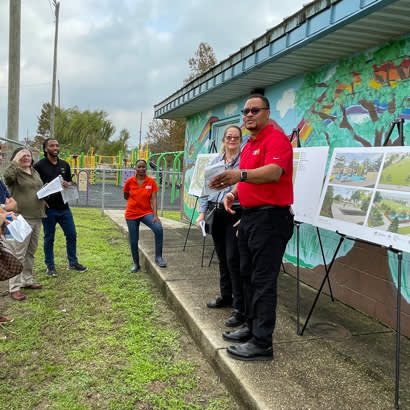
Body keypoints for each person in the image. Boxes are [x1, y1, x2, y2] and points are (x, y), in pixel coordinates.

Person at [209, 94, 294, 361]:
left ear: (267, 113)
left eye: (254, 110)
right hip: (249, 217)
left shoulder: (276, 139)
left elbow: (273, 172)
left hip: (270, 220)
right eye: (245, 111)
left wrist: (239, 176)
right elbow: (245, 179)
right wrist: (234, 192)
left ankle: (262, 343)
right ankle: (250, 326)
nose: (248, 115)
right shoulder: (249, 144)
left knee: (262, 281)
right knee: (245, 274)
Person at [195, 125, 245, 328]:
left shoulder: (245, 162)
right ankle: (226, 296)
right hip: (216, 212)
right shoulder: (215, 162)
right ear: (223, 140)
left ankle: (240, 307)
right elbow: (205, 190)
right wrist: (201, 213)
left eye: (236, 137)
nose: (232, 140)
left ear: (241, 140)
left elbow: (249, 187)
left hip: (235, 212)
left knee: (234, 259)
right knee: (222, 257)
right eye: (228, 137)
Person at [33, 138, 88, 277]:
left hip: (64, 207)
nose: (55, 148)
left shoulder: (64, 164)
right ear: (46, 149)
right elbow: (34, 186)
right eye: (52, 146)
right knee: (49, 238)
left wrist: (68, 184)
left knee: (71, 234)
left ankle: (73, 263)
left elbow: (69, 180)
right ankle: (50, 266)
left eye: (57, 145)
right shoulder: (39, 166)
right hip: (48, 208)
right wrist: (42, 201)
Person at [4, 148, 45, 301]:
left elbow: (37, 189)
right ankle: (14, 287)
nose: (26, 158)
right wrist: (16, 161)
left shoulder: (34, 172)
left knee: (30, 252)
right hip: (21, 218)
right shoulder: (14, 174)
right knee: (18, 253)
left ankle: (26, 280)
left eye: (28, 155)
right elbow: (7, 176)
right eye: (23, 155)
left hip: (37, 216)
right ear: (16, 158)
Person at [123, 159, 166, 272]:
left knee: (158, 229)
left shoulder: (151, 182)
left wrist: (155, 215)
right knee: (133, 239)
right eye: (139, 167)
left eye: (143, 167)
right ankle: (136, 264)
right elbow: (126, 195)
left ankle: (158, 257)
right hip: (131, 214)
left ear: (146, 168)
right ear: (135, 168)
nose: (141, 169)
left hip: (146, 212)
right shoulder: (129, 181)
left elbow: (154, 199)